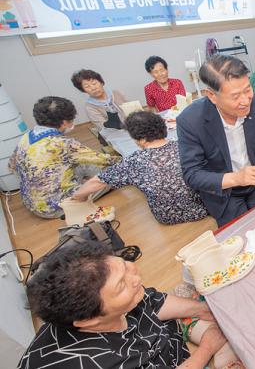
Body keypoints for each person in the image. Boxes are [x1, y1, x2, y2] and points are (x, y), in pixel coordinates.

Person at [18, 242, 227, 368]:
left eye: (124, 265)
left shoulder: (98, 303)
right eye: (121, 285)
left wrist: (204, 309)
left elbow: (151, 301)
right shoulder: (103, 360)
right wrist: (206, 349)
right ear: (89, 320)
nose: (135, 276)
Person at [177, 54, 255, 227]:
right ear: (212, 96)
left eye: (248, 90)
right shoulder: (191, 121)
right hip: (224, 194)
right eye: (236, 96)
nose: (245, 101)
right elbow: (192, 174)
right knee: (240, 235)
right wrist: (236, 178)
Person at [71, 111, 209, 225]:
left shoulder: (134, 161)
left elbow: (98, 181)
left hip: (167, 216)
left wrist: (77, 197)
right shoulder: (186, 147)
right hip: (202, 208)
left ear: (142, 139)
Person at [8, 97, 118, 218]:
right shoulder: (62, 143)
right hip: (54, 207)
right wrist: (125, 159)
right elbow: (104, 159)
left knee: (81, 163)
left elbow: (12, 167)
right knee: (110, 176)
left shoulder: (27, 136)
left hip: (30, 201)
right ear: (65, 122)